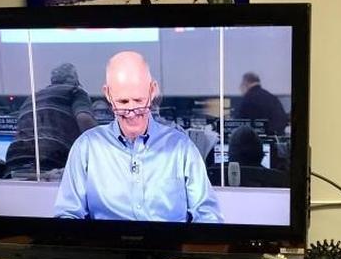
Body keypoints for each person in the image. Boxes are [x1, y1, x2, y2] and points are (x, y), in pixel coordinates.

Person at [53, 51, 221, 222]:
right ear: (108, 95)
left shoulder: (181, 147)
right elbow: (67, 215)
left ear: (152, 91)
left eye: (139, 101)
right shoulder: (86, 147)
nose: (132, 112)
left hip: (168, 247)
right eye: (123, 102)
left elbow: (208, 216)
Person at [3, 63, 96, 176]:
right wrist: (104, 144)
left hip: (15, 158)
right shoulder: (74, 91)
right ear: (75, 79)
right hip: (50, 157)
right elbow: (84, 119)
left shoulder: (31, 97)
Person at [234, 72, 288, 137]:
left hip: (255, 140)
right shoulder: (272, 98)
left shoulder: (248, 99)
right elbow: (283, 119)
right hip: (276, 138)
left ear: (245, 83)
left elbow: (239, 122)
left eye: (241, 85)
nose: (240, 88)